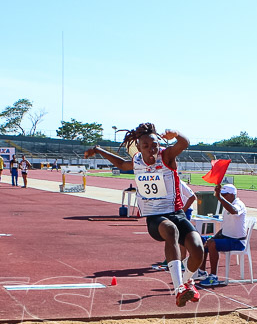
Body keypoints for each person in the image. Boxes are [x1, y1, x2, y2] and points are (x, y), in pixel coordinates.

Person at [85, 122, 204, 307]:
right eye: (146, 146)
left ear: (159, 144)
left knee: (198, 250)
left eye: (154, 145)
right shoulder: (137, 161)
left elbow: (184, 144)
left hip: (176, 213)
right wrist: (99, 150)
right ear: (139, 148)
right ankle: (179, 287)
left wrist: (177, 133)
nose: (151, 150)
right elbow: (121, 164)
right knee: (170, 230)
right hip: (156, 219)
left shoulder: (166, 156)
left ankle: (188, 281)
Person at [198, 184, 248, 287]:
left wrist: (219, 198)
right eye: (222, 195)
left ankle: (213, 277)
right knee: (201, 240)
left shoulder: (238, 204)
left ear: (232, 195)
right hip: (226, 237)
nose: (223, 197)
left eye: (225, 195)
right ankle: (201, 272)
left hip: (237, 241)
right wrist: (214, 237)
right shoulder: (227, 206)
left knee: (212, 244)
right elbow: (225, 228)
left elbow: (234, 211)